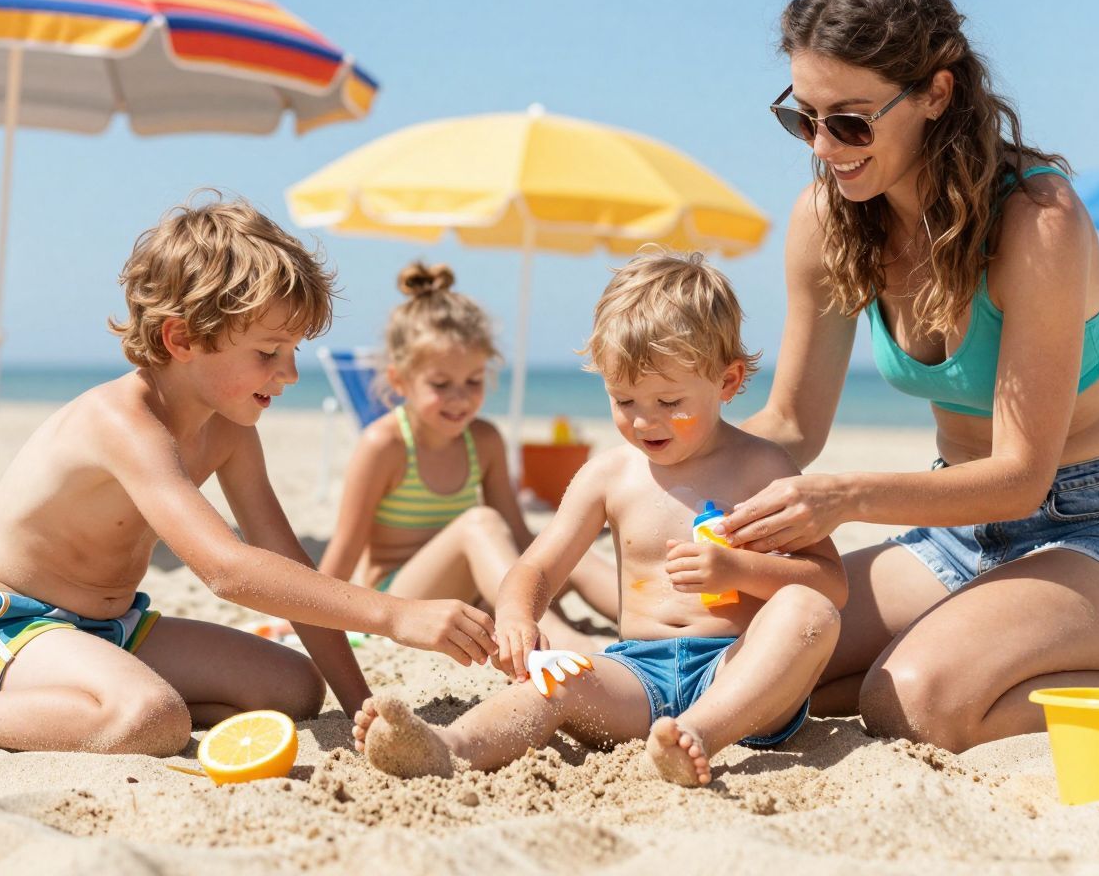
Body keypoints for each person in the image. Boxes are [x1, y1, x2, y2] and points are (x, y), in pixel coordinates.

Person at [723, 0, 1099, 753]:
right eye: (804, 119)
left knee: (917, 705)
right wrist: (685, 471)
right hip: (957, 529)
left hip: (1097, 527)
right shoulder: (829, 219)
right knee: (758, 669)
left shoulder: (1036, 220)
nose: (824, 148)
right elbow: (789, 421)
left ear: (936, 92)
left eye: (850, 122)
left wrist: (844, 498)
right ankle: (954, 650)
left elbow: (1023, 474)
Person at [0, 196, 497, 755]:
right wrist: (394, 615)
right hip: (10, 628)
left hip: (116, 625)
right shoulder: (123, 423)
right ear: (181, 339)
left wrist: (363, 710)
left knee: (293, 689)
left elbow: (286, 563)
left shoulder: (231, 430)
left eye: (293, 353)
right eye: (268, 352)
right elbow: (228, 570)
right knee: (151, 719)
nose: (289, 375)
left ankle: (86, 697)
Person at [353, 251, 846, 787]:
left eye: (668, 400)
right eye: (623, 398)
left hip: (737, 675)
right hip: (636, 674)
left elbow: (829, 584)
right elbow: (538, 564)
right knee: (556, 682)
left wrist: (738, 572)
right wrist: (519, 616)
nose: (643, 419)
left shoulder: (763, 466)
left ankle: (699, 735)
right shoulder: (609, 475)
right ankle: (449, 746)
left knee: (807, 612)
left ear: (727, 382)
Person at [319, 262, 616, 653]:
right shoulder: (385, 445)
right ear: (399, 381)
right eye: (441, 385)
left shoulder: (484, 440)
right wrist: (308, 620)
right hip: (403, 602)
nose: (460, 397)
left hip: (472, 593)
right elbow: (345, 550)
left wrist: (564, 556)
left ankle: (657, 619)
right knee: (479, 522)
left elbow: (520, 535)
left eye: (473, 382)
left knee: (563, 547)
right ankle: (562, 640)